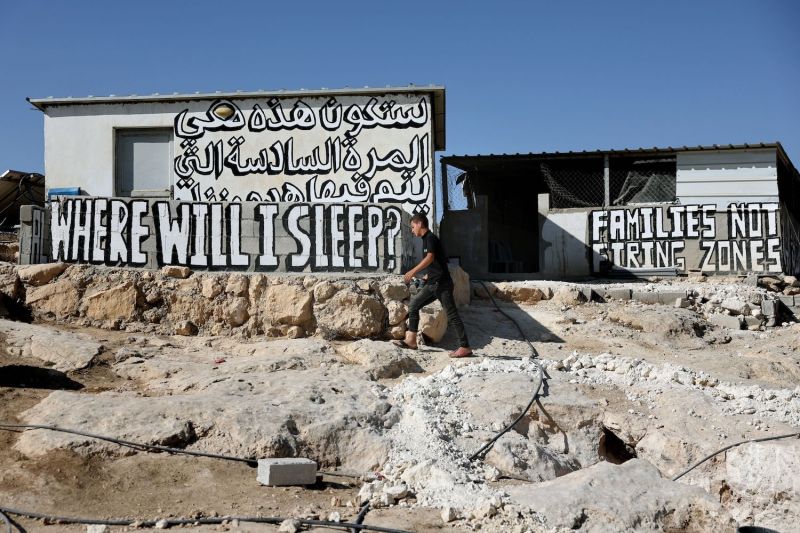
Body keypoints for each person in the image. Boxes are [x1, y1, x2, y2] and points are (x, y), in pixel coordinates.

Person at [393, 213, 473, 357]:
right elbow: (439, 262)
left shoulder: (430, 238)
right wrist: (428, 274)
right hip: (434, 283)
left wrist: (412, 271)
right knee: (414, 305)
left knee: (452, 314)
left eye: (412, 227)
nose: (412, 230)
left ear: (419, 224)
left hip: (441, 284)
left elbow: (430, 258)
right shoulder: (427, 240)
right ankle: (411, 340)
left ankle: (465, 346)